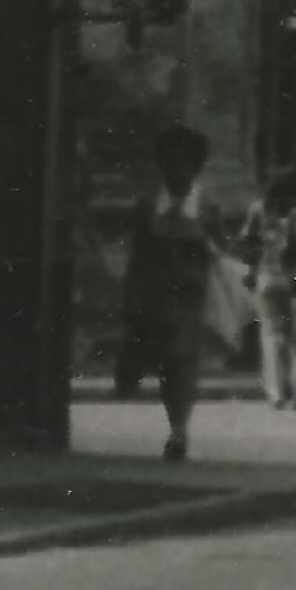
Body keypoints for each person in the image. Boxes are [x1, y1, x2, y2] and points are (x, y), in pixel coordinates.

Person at [118, 125, 220, 458]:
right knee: (162, 361)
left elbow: (221, 250)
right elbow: (136, 254)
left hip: (190, 294)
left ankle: (179, 431)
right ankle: (138, 387)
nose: (177, 172)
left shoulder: (207, 206)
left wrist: (202, 246)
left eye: (184, 165)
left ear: (195, 167)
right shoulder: (148, 205)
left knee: (181, 360)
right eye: (170, 165)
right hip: (154, 294)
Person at [249, 171, 296, 412]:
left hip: (266, 275)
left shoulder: (258, 209)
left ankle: (276, 393)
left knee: (271, 336)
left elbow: (246, 239)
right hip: (294, 278)